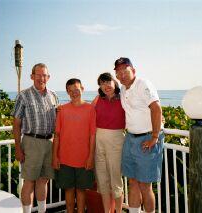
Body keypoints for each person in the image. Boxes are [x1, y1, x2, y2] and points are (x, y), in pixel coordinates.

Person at [114, 57, 164, 213]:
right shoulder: (123, 89)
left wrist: (155, 137)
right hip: (130, 138)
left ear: (133, 71)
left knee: (145, 185)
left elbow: (156, 108)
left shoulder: (143, 84)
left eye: (125, 70)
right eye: (118, 72)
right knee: (133, 182)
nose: (122, 74)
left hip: (147, 138)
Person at [12, 63, 59, 213]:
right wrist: (18, 148)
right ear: (32, 76)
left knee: (43, 181)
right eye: (38, 75)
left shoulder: (53, 96)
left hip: (49, 143)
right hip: (31, 142)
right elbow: (16, 123)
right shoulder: (23, 95)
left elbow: (59, 121)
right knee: (29, 182)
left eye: (44, 75)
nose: (41, 78)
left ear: (48, 77)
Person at [52, 78, 96, 213]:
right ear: (67, 92)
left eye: (76, 90)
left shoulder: (90, 109)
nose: (74, 93)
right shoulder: (62, 110)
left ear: (82, 89)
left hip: (84, 159)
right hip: (65, 158)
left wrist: (91, 157)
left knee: (81, 190)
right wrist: (55, 157)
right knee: (69, 190)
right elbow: (57, 135)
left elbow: (92, 135)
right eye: (70, 91)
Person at [92, 73, 125, 213]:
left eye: (108, 82)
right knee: (102, 181)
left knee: (116, 180)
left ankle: (118, 211)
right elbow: (86, 114)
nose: (106, 86)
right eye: (102, 83)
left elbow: (138, 109)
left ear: (114, 82)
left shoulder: (123, 97)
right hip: (99, 140)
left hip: (116, 139)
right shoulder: (98, 99)